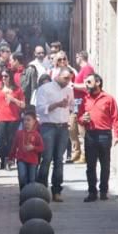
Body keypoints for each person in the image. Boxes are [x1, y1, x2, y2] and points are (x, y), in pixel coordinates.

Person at [78, 74, 118, 201]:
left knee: (105, 165)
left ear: (97, 82)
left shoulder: (108, 99)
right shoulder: (85, 99)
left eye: (89, 82)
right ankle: (92, 192)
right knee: (90, 166)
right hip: (90, 135)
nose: (86, 85)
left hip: (104, 135)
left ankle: (103, 191)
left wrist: (116, 134)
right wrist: (82, 119)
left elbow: (115, 118)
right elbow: (79, 117)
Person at [35, 68, 74, 202]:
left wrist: (71, 113)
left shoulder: (69, 90)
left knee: (59, 160)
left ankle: (57, 190)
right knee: (46, 158)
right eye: (65, 78)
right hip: (48, 127)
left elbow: (72, 106)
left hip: (63, 127)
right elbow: (39, 109)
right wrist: (56, 105)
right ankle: (41, 189)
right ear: (58, 76)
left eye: (69, 79)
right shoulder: (45, 89)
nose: (67, 81)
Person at [0, 70, 25, 170]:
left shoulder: (17, 90)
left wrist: (13, 99)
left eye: (6, 76)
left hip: (13, 118)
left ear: (10, 77)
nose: (4, 78)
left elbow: (23, 105)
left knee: (11, 141)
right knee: (0, 139)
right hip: (0, 117)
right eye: (2, 76)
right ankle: (3, 158)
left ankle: (9, 160)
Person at [69, 51, 96, 165]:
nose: (75, 58)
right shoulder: (82, 69)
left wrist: (73, 85)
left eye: (76, 56)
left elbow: (87, 85)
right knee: (72, 128)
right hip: (77, 102)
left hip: (83, 101)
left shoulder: (87, 69)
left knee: (81, 128)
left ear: (81, 57)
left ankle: (85, 154)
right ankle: (77, 153)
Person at [11, 109, 43, 188]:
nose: (26, 122)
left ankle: (30, 195)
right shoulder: (19, 133)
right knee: (22, 177)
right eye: (24, 120)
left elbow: (41, 148)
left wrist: (33, 148)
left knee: (32, 179)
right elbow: (14, 146)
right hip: (21, 159)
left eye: (28, 120)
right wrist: (11, 157)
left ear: (34, 121)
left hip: (33, 161)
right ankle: (23, 193)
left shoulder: (37, 135)